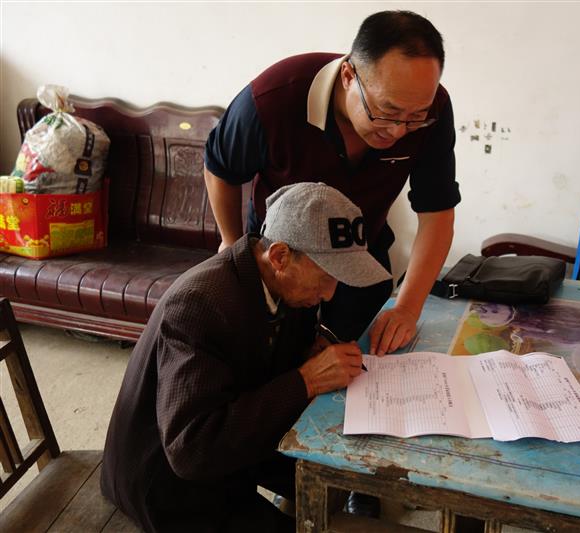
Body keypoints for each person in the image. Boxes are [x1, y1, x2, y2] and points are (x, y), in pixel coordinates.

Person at [100, 183, 392, 532]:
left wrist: (307, 355)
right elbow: (190, 450)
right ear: (280, 256)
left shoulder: (281, 283)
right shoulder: (200, 305)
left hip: (234, 448)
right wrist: (305, 380)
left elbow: (258, 354)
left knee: (344, 473)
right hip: (166, 483)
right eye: (326, 277)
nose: (329, 294)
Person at [203, 10, 460, 357]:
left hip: (359, 254)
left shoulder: (433, 110)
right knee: (272, 361)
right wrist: (232, 248)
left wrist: (407, 308)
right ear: (348, 75)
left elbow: (437, 213)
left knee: (357, 358)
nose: (398, 131)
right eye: (386, 112)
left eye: (414, 118)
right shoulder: (274, 98)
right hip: (287, 258)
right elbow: (221, 169)